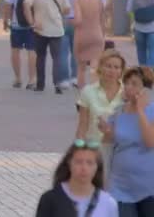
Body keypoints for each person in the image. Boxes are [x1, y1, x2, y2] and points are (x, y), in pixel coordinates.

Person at [99, 66, 154, 216]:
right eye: (127, 83)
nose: (129, 87)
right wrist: (107, 132)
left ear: (146, 89)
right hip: (120, 185)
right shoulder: (119, 111)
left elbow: (150, 142)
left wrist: (141, 111)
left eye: (134, 84)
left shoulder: (152, 111)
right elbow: (109, 144)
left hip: (149, 186)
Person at [76, 50, 125, 179]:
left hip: (120, 150)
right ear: (100, 67)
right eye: (108, 66)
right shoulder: (88, 91)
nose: (112, 71)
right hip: (94, 148)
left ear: (121, 71)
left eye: (116, 67)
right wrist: (79, 148)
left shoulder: (126, 94)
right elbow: (82, 125)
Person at [36, 143, 118, 217]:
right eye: (78, 162)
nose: (84, 168)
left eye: (90, 163)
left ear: (97, 167)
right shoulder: (50, 199)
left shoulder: (108, 203)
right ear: (69, 164)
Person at [23, 0, 71, 94]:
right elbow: (67, 9)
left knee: (41, 57)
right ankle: (57, 84)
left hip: (40, 28)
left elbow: (26, 4)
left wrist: (31, 21)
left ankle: (40, 84)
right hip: (56, 29)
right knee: (57, 58)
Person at [3, 0, 37, 89]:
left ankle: (17, 78)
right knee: (32, 50)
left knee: (15, 50)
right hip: (32, 24)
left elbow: (8, 5)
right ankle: (32, 79)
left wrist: (6, 20)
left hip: (17, 24)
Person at [73, 0, 106, 89]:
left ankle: (81, 90)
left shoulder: (78, 0)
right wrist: (103, 35)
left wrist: (68, 22)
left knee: (81, 67)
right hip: (97, 35)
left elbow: (78, 20)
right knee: (95, 66)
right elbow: (103, 20)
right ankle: (95, 88)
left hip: (82, 36)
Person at [55, 0, 79, 88]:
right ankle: (75, 77)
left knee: (62, 52)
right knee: (75, 51)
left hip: (60, 20)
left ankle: (64, 79)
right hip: (74, 19)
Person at [127, 0, 154, 66]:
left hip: (138, 26)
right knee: (152, 51)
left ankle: (142, 72)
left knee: (140, 51)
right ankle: (150, 74)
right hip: (152, 27)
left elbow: (129, 9)